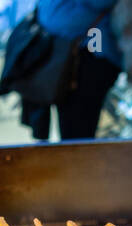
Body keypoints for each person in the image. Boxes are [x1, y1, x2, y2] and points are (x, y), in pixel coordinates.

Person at [30, 0, 124, 141]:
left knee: (78, 131)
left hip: (89, 59)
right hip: (77, 60)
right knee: (74, 130)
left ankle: (77, 159)